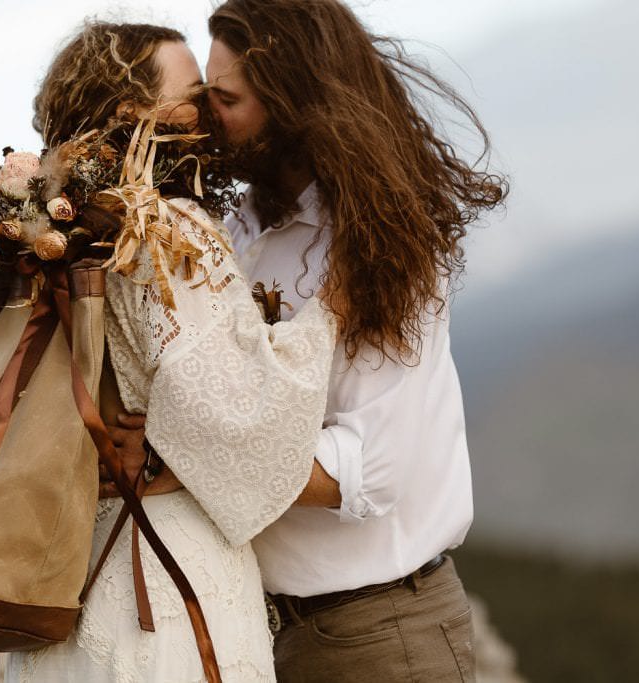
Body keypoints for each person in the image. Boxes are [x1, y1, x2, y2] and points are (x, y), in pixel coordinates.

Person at [116, 1, 508, 680]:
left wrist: (176, 458)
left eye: (227, 100)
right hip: (263, 628)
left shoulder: (379, 242)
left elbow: (370, 467)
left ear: (295, 105)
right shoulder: (239, 226)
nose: (208, 118)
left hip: (378, 633)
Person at [7, 22, 337, 683]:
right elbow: (244, 417)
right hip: (163, 578)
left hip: (67, 568)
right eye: (194, 95)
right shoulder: (164, 229)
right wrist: (337, 307)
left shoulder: (41, 234)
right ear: (137, 111)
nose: (210, 112)